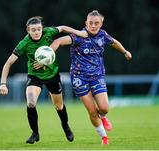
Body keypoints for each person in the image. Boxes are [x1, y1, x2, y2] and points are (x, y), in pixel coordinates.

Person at [0, 16, 88, 144]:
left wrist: (79, 33)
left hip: (52, 75)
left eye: (39, 29)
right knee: (31, 103)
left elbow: (62, 28)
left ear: (42, 28)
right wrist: (3, 83)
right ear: (28, 30)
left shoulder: (48, 32)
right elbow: (8, 63)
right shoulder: (24, 43)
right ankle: (35, 133)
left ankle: (66, 126)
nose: (36, 32)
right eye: (33, 30)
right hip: (34, 76)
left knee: (59, 106)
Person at [50, 10, 132, 145]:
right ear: (86, 23)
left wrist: (125, 51)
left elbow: (114, 42)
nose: (93, 26)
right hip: (79, 78)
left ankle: (104, 117)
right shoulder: (78, 36)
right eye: (91, 23)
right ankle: (104, 137)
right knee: (92, 111)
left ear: (101, 24)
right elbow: (58, 41)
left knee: (104, 108)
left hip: (97, 76)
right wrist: (49, 52)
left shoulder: (103, 35)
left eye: (96, 23)